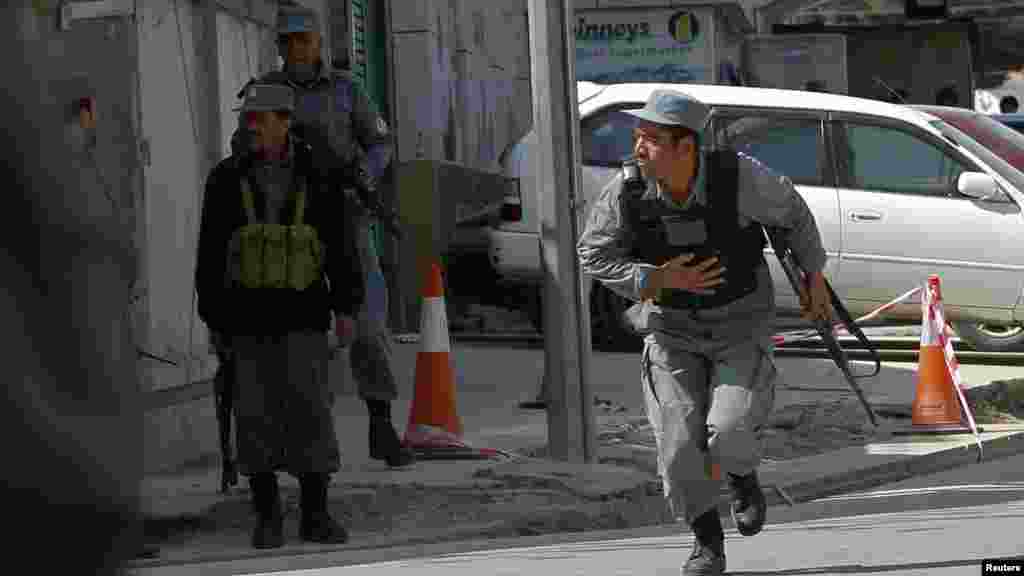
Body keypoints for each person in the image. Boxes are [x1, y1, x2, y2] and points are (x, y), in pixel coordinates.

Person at [577, 89, 831, 576]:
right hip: (670, 330)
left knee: (730, 429)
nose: (638, 149)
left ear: (685, 147)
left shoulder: (738, 178)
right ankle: (706, 543)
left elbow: (794, 213)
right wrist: (654, 279)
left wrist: (813, 278)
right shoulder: (626, 190)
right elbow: (593, 254)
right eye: (637, 138)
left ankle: (741, 475)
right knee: (676, 443)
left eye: (650, 139)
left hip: (739, 323)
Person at [235, 4, 413, 467]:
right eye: (287, 41)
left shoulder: (346, 90)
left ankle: (381, 423)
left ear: (318, 43)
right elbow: (243, 148)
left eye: (302, 40)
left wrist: (365, 179)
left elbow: (379, 144)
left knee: (369, 327)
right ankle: (305, 441)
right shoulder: (267, 91)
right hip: (288, 228)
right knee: (297, 333)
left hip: (345, 219)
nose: (295, 48)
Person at [195, 81, 364, 549]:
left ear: (284, 121)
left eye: (260, 118)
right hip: (246, 320)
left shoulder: (319, 174)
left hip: (304, 315)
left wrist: (347, 307)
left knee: (311, 414)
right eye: (247, 118)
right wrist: (214, 318)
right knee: (255, 420)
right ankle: (267, 515)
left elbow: (341, 245)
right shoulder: (226, 178)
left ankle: (316, 514)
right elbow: (210, 255)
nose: (251, 127)